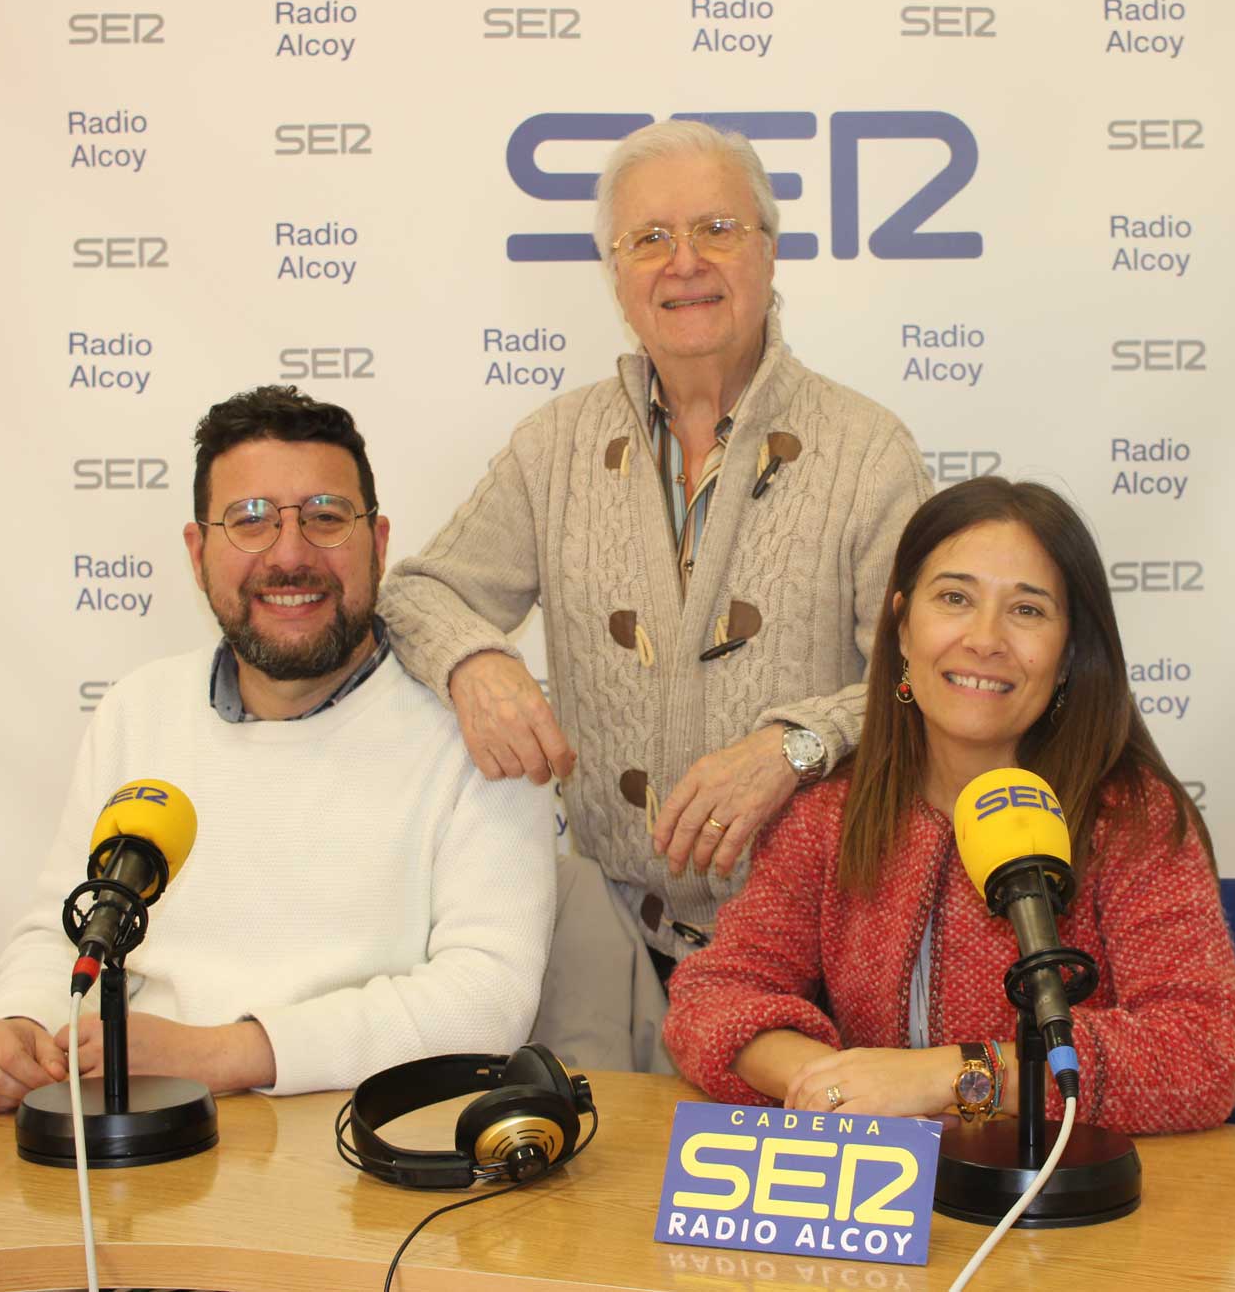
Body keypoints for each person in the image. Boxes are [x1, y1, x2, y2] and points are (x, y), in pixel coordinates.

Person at [378, 120, 931, 1069]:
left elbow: (923, 680)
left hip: (807, 956)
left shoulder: (869, 449)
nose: (685, 264)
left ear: (770, 251)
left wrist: (794, 746)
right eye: (650, 239)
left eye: (717, 228)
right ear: (615, 272)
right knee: (595, 1209)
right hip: (603, 955)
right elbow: (418, 592)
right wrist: (475, 663)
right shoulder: (554, 445)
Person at [0, 386, 556, 1113]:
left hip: (367, 1153)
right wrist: (14, 1021)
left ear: (381, 541)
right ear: (197, 550)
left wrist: (225, 1053)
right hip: (141, 1141)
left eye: (326, 518)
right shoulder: (137, 712)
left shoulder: (478, 724)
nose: (291, 554)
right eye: (250, 521)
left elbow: (487, 1000)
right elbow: (67, 928)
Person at [664, 477, 1235, 1133]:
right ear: (903, 626)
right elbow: (711, 997)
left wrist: (951, 1075)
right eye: (954, 598)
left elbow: (1199, 1052)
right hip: (882, 1205)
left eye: (1027, 610)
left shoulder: (1131, 819)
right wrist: (836, 1084)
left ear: (1067, 656)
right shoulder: (825, 815)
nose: (985, 638)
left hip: (1066, 1207)